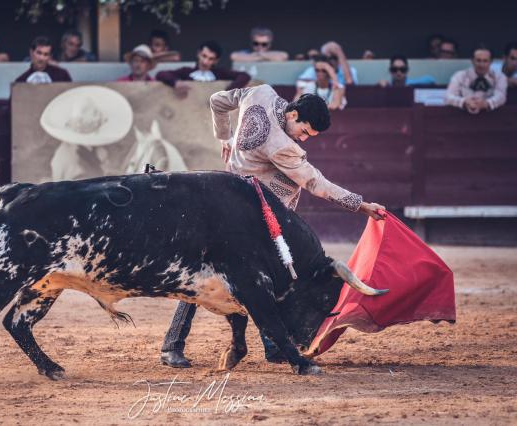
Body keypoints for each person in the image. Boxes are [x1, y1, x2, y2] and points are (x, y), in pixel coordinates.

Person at [160, 85, 386, 368]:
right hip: (252, 219)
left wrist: (224, 137)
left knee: (236, 274)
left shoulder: (260, 93)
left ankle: (261, 345)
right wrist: (361, 205)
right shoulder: (283, 147)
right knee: (214, 274)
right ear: (292, 114)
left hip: (231, 203)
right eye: (304, 132)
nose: (304, 139)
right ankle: (176, 345)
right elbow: (316, 182)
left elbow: (217, 100)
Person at [156, 41, 251, 99]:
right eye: (204, 56)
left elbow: (244, 76)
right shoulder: (186, 72)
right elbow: (160, 74)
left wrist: (227, 92)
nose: (205, 61)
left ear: (216, 61)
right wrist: (175, 83)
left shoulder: (220, 73)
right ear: (198, 54)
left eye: (211, 59)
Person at [446, 45, 507, 114]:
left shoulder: (499, 77)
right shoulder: (460, 76)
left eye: (485, 61)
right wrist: (464, 102)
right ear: (472, 60)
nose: (481, 65)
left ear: (491, 61)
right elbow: (448, 97)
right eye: (478, 60)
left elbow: (501, 97)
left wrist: (486, 103)